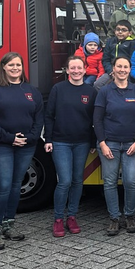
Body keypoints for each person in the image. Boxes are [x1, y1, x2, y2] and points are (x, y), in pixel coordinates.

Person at [0, 52, 44, 250]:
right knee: (3, 186)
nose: (15, 68)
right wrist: (10, 138)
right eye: (11, 65)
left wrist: (31, 137)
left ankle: (9, 225)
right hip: (2, 146)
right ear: (3, 67)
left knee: (16, 185)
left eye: (18, 65)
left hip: (26, 146)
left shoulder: (31, 90)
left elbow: (38, 117)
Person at [93, 56, 135, 236]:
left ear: (130, 69)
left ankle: (130, 216)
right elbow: (97, 119)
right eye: (119, 66)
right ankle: (114, 218)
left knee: (130, 181)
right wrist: (102, 143)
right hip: (110, 144)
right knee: (109, 182)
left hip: (132, 143)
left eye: (125, 67)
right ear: (113, 69)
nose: (122, 70)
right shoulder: (105, 91)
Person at [44, 56, 96, 238]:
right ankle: (58, 219)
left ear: (84, 70)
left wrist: (92, 141)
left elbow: (94, 119)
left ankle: (72, 216)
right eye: (72, 68)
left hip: (82, 143)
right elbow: (49, 115)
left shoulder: (91, 91)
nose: (76, 71)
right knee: (64, 181)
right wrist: (48, 139)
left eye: (79, 68)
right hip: (60, 142)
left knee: (77, 181)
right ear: (67, 70)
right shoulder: (58, 89)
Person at [97, 19, 135, 90]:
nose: (120, 32)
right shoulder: (110, 42)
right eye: (118, 29)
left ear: (130, 33)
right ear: (115, 31)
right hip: (112, 71)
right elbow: (105, 59)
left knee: (125, 86)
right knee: (98, 84)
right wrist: (111, 71)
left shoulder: (132, 43)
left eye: (124, 30)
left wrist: (124, 71)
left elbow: (133, 61)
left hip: (126, 72)